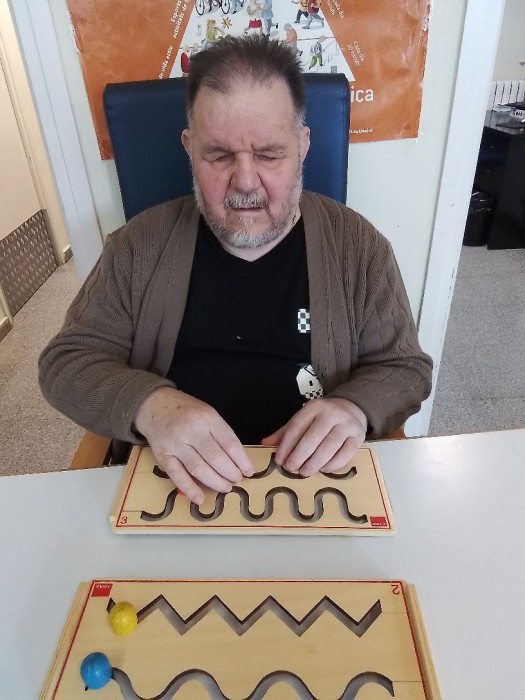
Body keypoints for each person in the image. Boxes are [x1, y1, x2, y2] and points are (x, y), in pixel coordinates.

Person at [39, 36, 432, 506]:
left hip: (315, 488)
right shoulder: (137, 247)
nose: (245, 181)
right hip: (172, 485)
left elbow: (405, 369)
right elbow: (66, 363)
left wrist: (354, 407)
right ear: (190, 149)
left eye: (268, 154)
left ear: (303, 145)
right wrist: (150, 405)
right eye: (219, 155)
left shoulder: (359, 248)